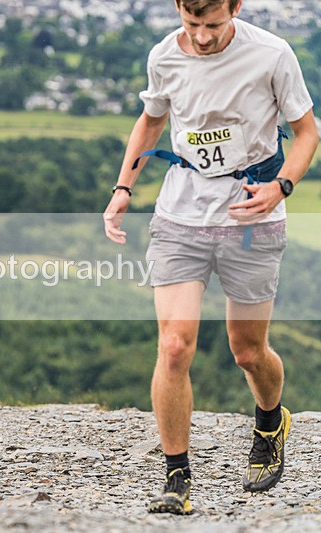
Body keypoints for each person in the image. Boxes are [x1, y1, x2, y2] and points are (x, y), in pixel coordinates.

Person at [103, 0, 318, 515]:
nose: (201, 36)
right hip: (181, 217)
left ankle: (270, 420)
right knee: (175, 346)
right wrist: (123, 187)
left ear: (236, 9)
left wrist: (282, 186)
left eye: (213, 24)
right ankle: (177, 475)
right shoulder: (164, 56)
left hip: (252, 217)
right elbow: (151, 122)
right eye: (191, 22)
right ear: (179, 9)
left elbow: (308, 131)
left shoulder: (271, 54)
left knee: (248, 351)